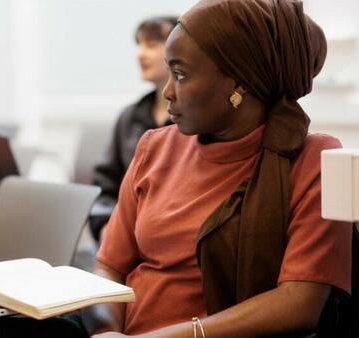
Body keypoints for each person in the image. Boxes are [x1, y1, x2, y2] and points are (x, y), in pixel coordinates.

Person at [84, 0, 352, 337]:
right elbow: (108, 266)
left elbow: (299, 303)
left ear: (239, 84)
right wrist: (106, 332)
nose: (167, 92)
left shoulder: (313, 160)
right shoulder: (154, 146)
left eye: (180, 74)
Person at [90, 16, 177, 242]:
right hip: (123, 236)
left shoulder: (197, 120)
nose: (140, 53)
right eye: (139, 44)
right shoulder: (129, 117)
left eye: (151, 44)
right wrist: (105, 226)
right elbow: (105, 185)